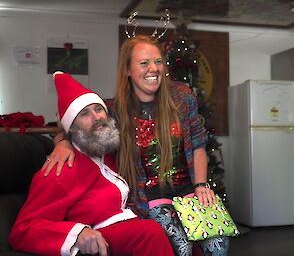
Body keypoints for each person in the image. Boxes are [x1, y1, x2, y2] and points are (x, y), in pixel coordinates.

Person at [42, 35, 229, 256]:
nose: (154, 68)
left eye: (158, 61)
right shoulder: (113, 110)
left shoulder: (182, 96)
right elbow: (72, 127)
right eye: (144, 63)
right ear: (128, 70)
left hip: (187, 188)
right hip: (148, 195)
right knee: (181, 244)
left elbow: (198, 143)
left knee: (218, 240)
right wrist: (63, 143)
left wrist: (201, 185)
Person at [9, 71, 175, 256]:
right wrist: (77, 233)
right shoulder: (60, 170)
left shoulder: (109, 151)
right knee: (148, 233)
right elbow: (23, 230)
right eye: (84, 114)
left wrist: (61, 139)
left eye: (99, 109)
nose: (96, 117)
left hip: (127, 225)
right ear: (72, 128)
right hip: (98, 238)